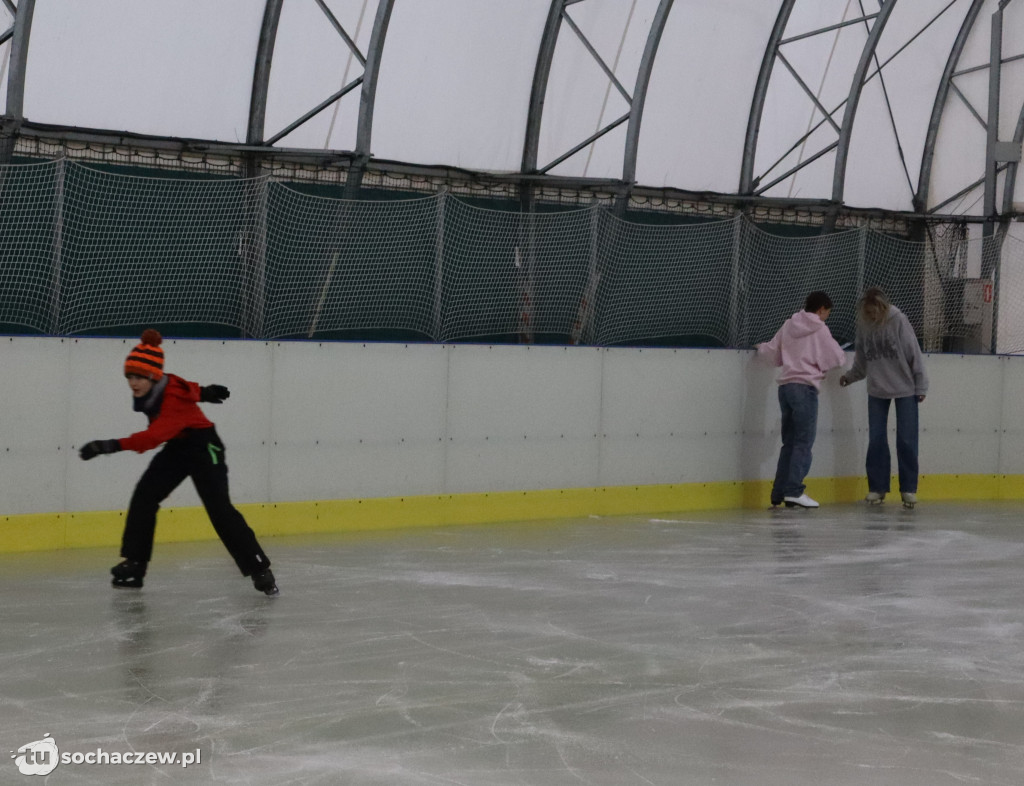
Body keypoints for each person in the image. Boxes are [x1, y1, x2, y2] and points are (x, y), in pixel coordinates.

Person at [79, 329, 278, 595]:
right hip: (178, 446)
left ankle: (259, 568)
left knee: (219, 509)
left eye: (139, 377)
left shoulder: (169, 399)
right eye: (130, 376)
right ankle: (135, 565)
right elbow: (187, 388)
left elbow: (152, 437)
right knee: (145, 496)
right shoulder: (164, 384)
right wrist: (204, 392)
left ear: (152, 376)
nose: (134, 383)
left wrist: (109, 446)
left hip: (204, 445)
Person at [757, 291, 847, 509]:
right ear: (822, 309)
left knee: (789, 442)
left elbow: (772, 352)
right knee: (804, 442)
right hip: (805, 388)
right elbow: (836, 358)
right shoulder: (819, 328)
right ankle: (794, 490)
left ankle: (779, 492)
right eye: (827, 313)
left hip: (786, 388)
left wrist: (759, 348)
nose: (826, 317)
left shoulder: (789, 324)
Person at [839, 287, 928, 509]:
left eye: (874, 312)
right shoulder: (863, 325)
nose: (871, 317)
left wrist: (921, 385)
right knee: (877, 439)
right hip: (877, 389)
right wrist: (850, 377)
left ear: (883, 308)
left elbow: (913, 353)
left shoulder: (898, 320)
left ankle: (908, 489)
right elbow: (862, 358)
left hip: (905, 388)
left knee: (906, 439)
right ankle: (877, 487)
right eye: (867, 313)